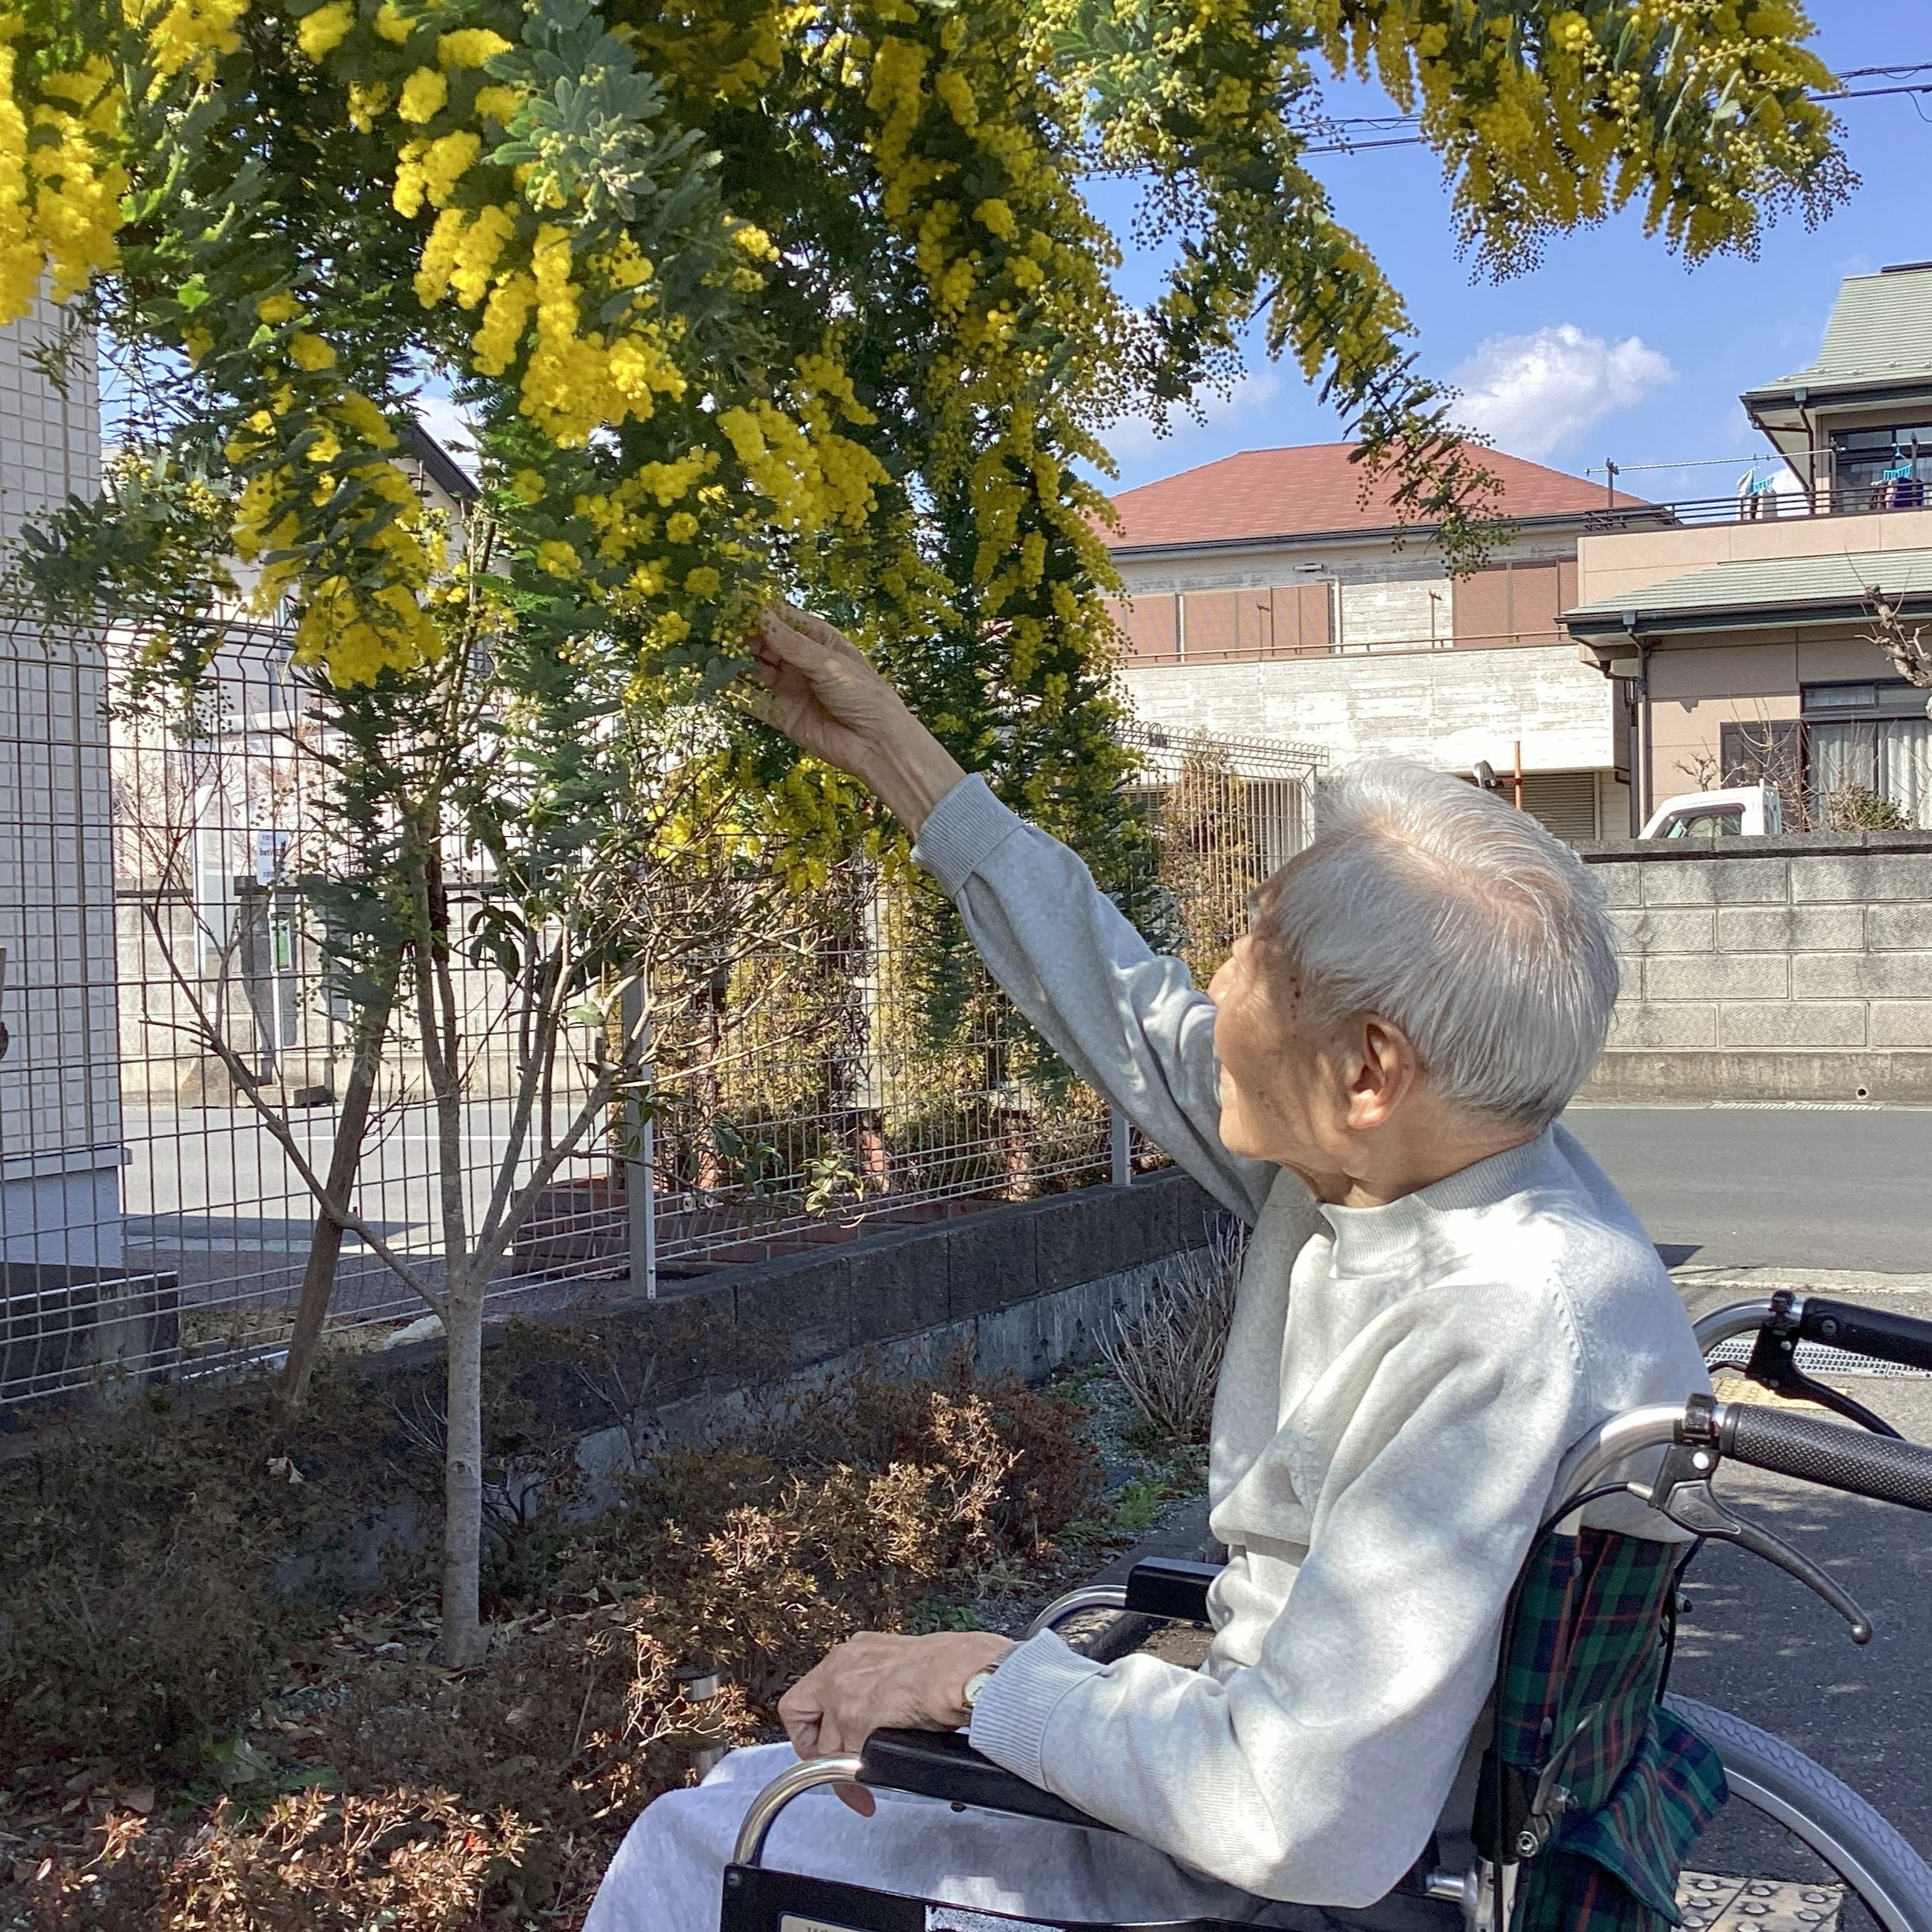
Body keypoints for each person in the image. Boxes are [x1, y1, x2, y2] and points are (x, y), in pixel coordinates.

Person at [583, 604, 1712, 1931]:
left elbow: (1303, 1817)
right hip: (1246, 1767)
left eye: (1249, 953)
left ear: (1366, 1067)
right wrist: (899, 757)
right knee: (752, 1778)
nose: (1212, 981)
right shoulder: (1425, 1165)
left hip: (1239, 1873)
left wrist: (976, 1673)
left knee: (693, 1845)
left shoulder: (1502, 1322)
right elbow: (1122, 1008)